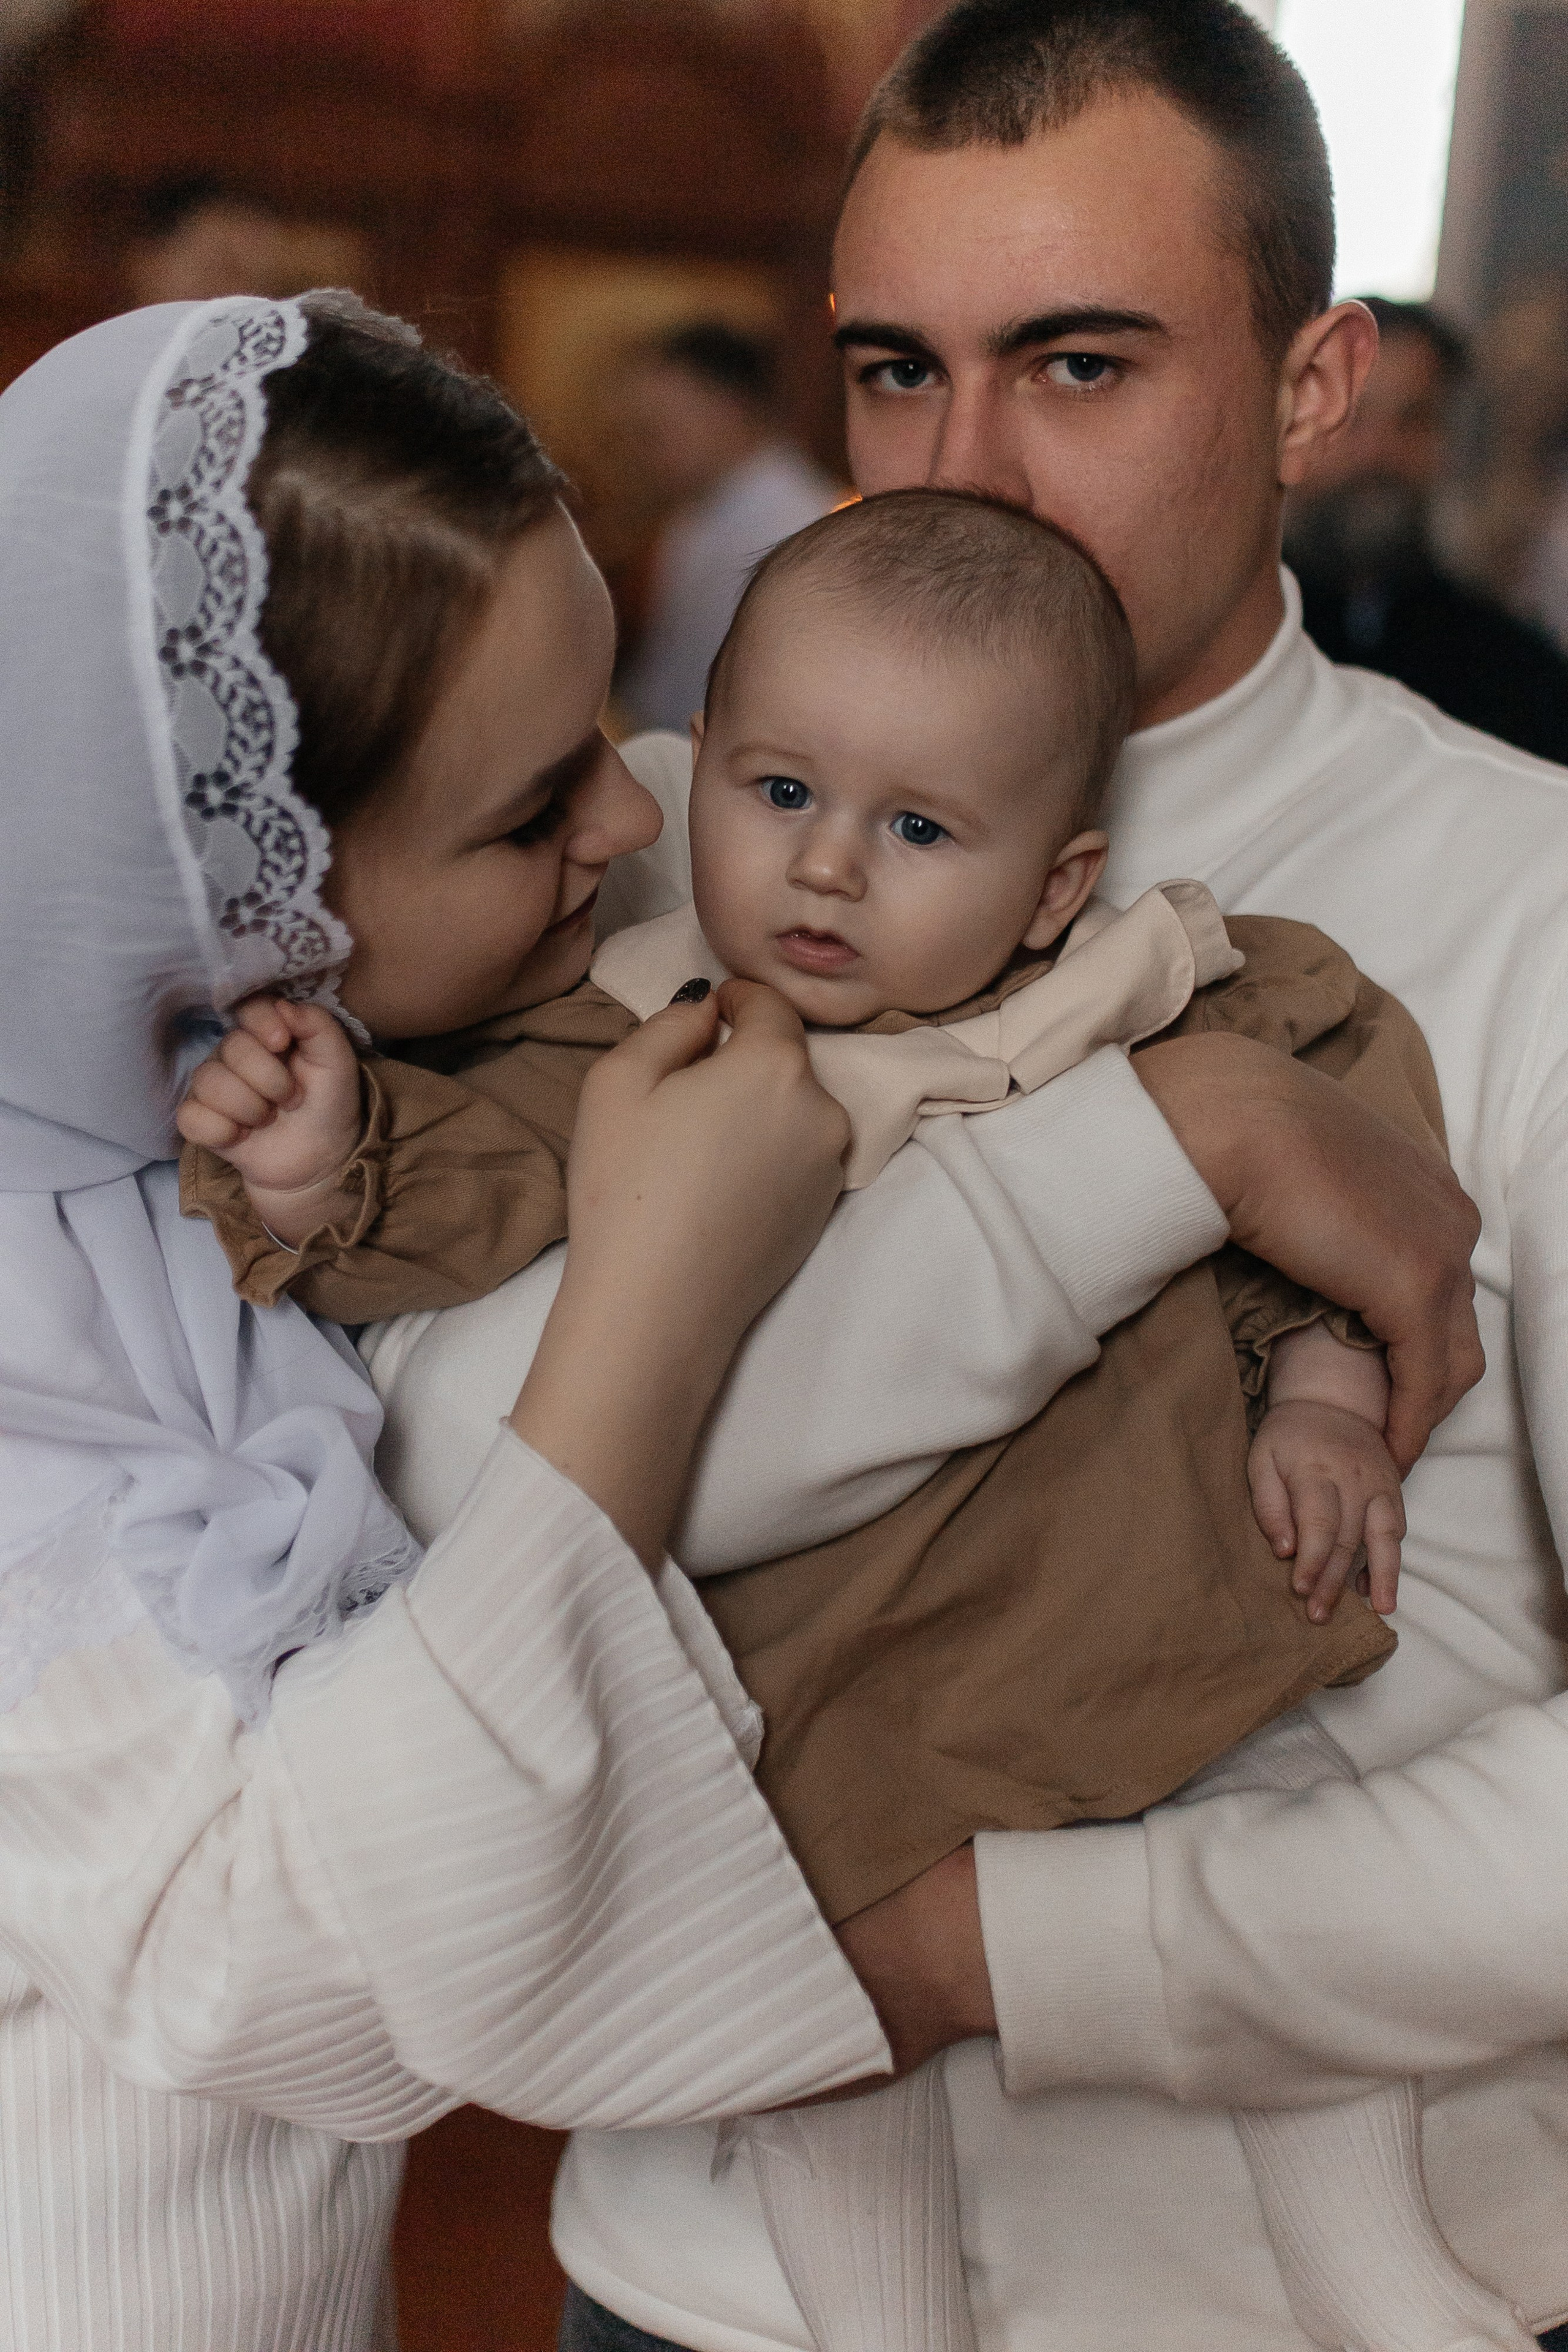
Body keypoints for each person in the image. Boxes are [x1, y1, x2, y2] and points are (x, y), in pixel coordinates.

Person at [0, 290, 1471, 2350]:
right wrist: (666, 1297)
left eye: (614, 729)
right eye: (534, 810)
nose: (629, 824)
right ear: (227, 889)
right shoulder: (81, 1292)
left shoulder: (255, 1085)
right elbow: (306, 1989)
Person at [527, 5, 1568, 2351]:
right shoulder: (659, 845)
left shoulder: (1534, 902)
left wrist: (952, 1951)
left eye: (1075, 366)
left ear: (1310, 388)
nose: (961, 468)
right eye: (895, 368)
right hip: (692, 2275)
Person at [1286, 295, 1568, 764]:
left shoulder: (1518, 676)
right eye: (1354, 418)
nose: (1378, 453)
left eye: (1412, 420)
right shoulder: (1216, 645)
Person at [616, 322, 840, 733]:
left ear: (728, 409)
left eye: (660, 430)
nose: (645, 455)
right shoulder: (698, 516)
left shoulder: (799, 527)